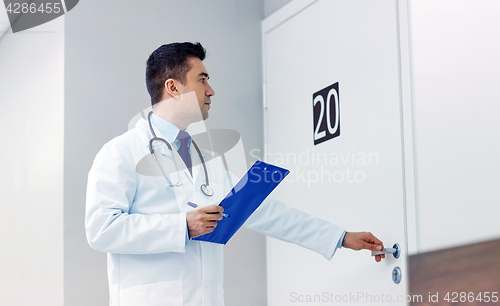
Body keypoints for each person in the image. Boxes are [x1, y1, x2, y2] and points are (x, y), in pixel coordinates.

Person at [85, 42, 386, 306]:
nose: (211, 90)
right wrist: (182, 227)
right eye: (201, 80)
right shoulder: (121, 152)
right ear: (173, 87)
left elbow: (263, 212)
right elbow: (101, 229)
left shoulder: (206, 158)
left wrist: (340, 237)